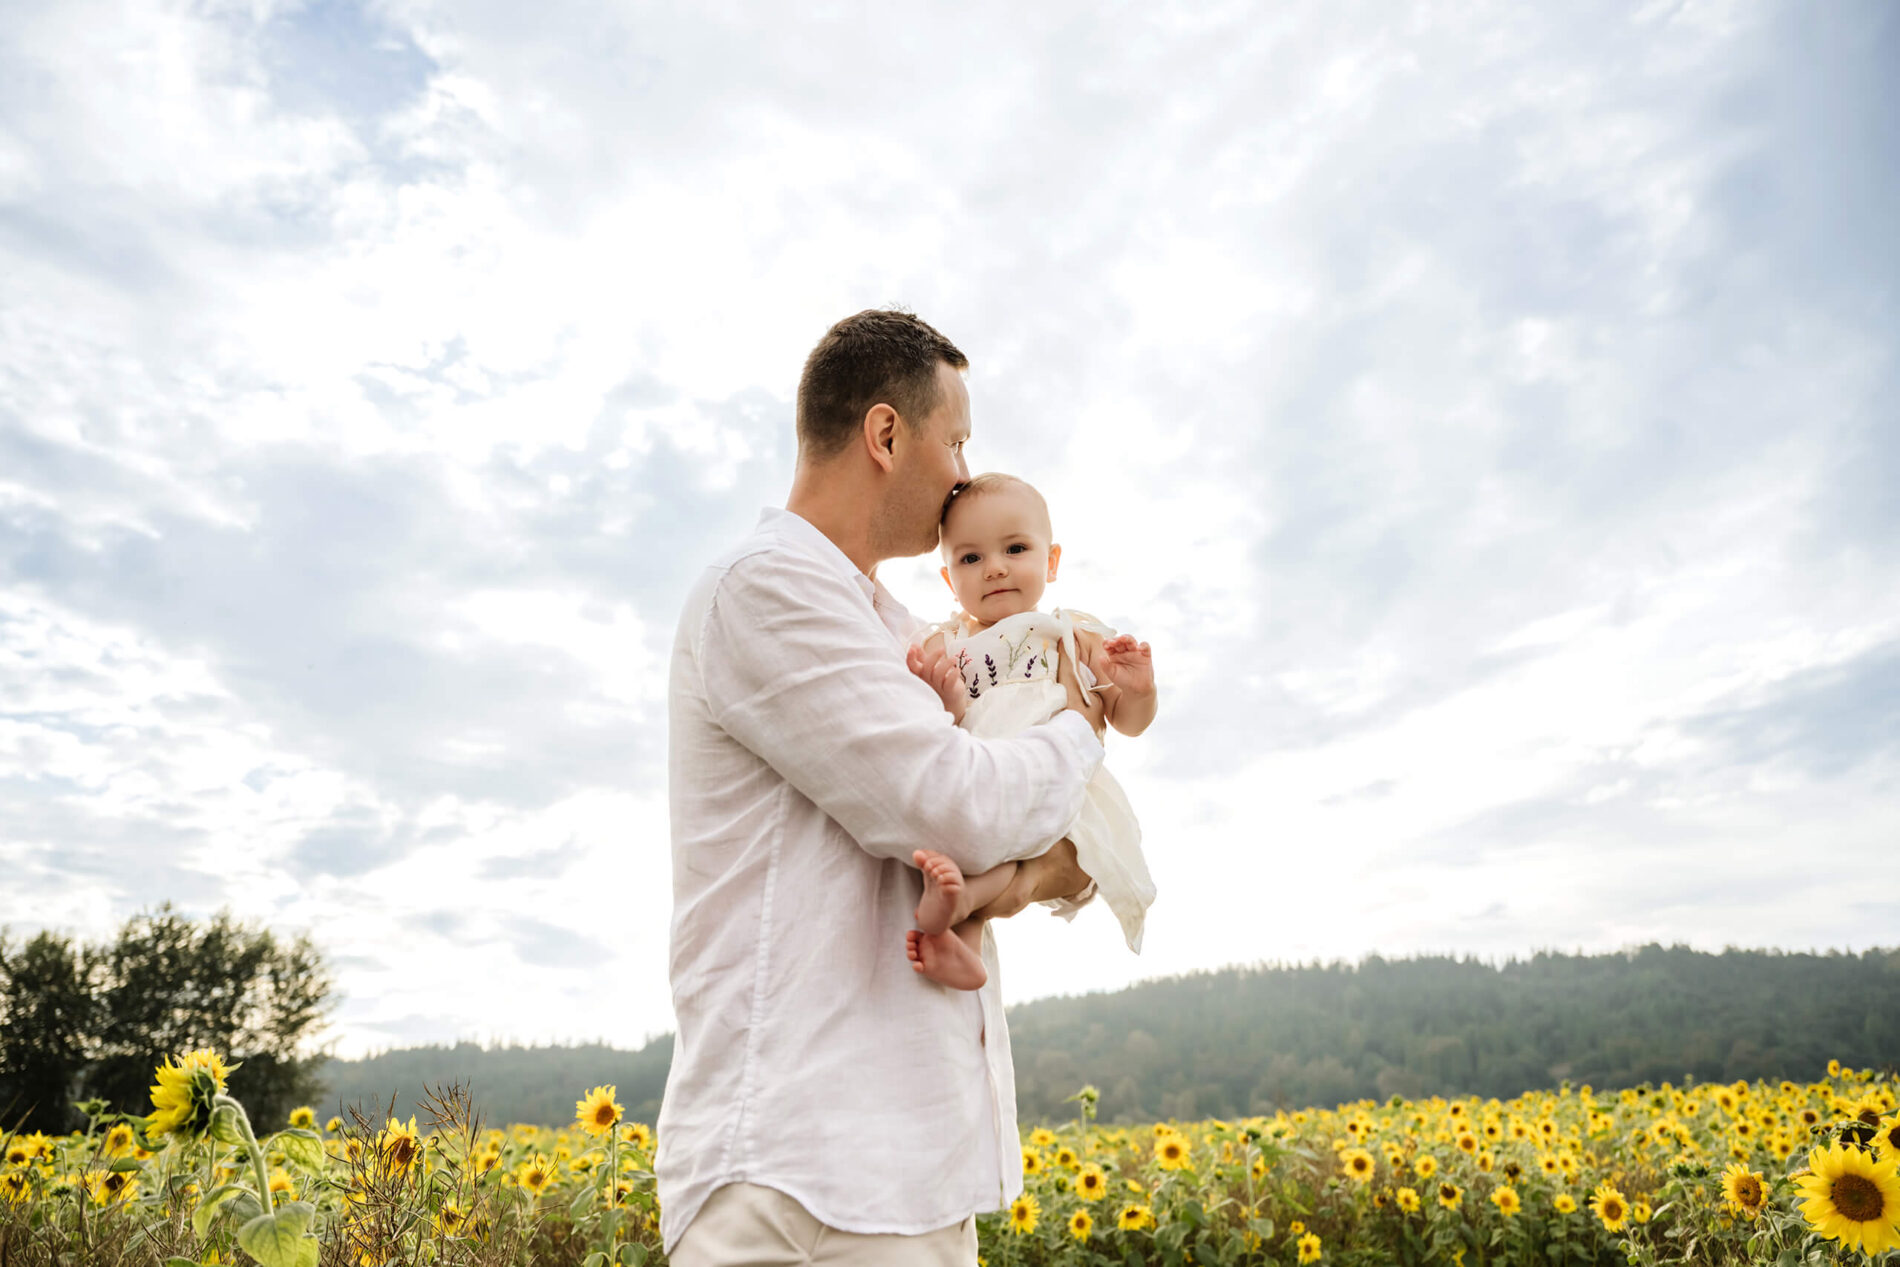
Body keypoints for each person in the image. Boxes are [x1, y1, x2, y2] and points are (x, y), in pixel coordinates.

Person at [658, 310, 1107, 1266]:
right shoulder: (766, 588)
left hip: (910, 1171)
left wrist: (1046, 859)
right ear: (886, 434)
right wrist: (1082, 724)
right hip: (797, 1179)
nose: (962, 472)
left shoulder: (899, 627)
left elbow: (1063, 857)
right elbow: (962, 805)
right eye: (955, 440)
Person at [903, 472, 1159, 992]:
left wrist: (1139, 690)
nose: (994, 568)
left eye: (1015, 548)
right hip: (983, 786)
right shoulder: (943, 646)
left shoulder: (1073, 636)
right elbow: (926, 736)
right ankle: (963, 935)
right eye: (970, 558)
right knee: (994, 854)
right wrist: (946, 702)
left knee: (1030, 862)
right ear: (950, 580)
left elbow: (1125, 723)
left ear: (1052, 561)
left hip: (1060, 792)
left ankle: (965, 914)